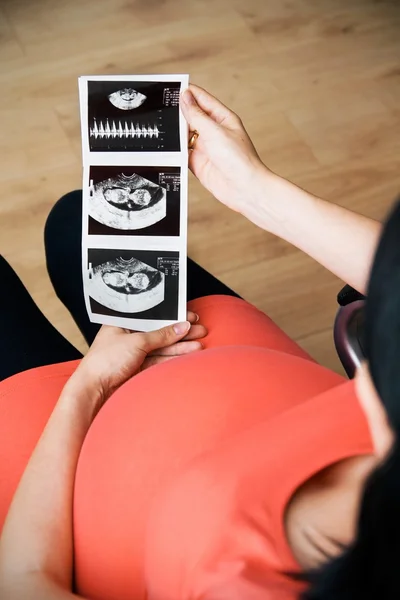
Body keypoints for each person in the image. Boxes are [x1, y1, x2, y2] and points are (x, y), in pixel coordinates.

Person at [0, 84, 397, 600]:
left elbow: (21, 584)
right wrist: (255, 191)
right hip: (221, 349)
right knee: (76, 222)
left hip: (58, 484)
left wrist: (90, 385)